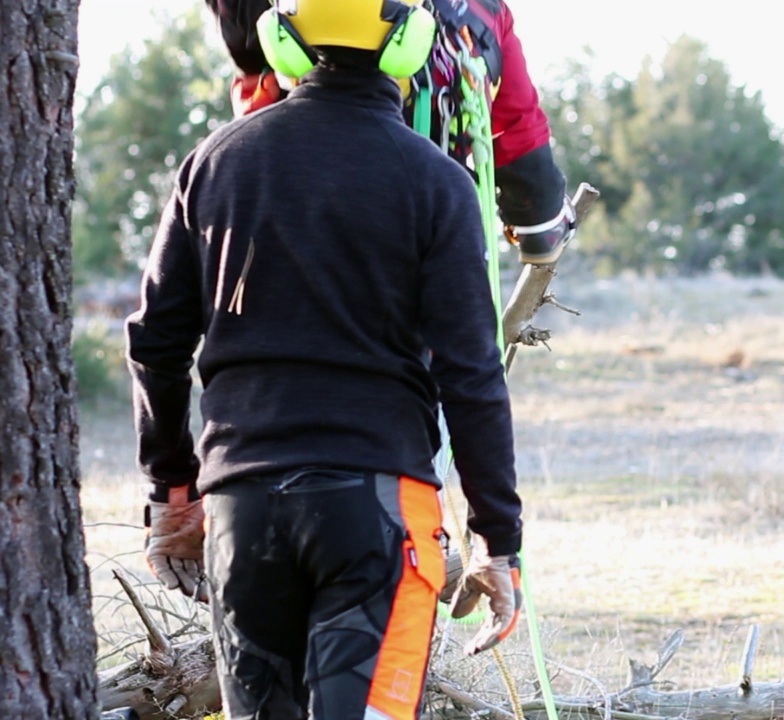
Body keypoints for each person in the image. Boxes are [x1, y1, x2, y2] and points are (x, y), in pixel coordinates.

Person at [128, 1, 524, 717]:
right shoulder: (438, 182)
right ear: (407, 47)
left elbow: (155, 341)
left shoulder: (213, 163)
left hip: (242, 513)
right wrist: (499, 539)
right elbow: (470, 373)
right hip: (378, 510)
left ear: (282, 40)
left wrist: (172, 489)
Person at [204, 0, 575, 266]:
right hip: (427, 272)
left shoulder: (272, 18)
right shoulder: (481, 15)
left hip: (286, 264)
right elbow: (517, 132)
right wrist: (541, 223)